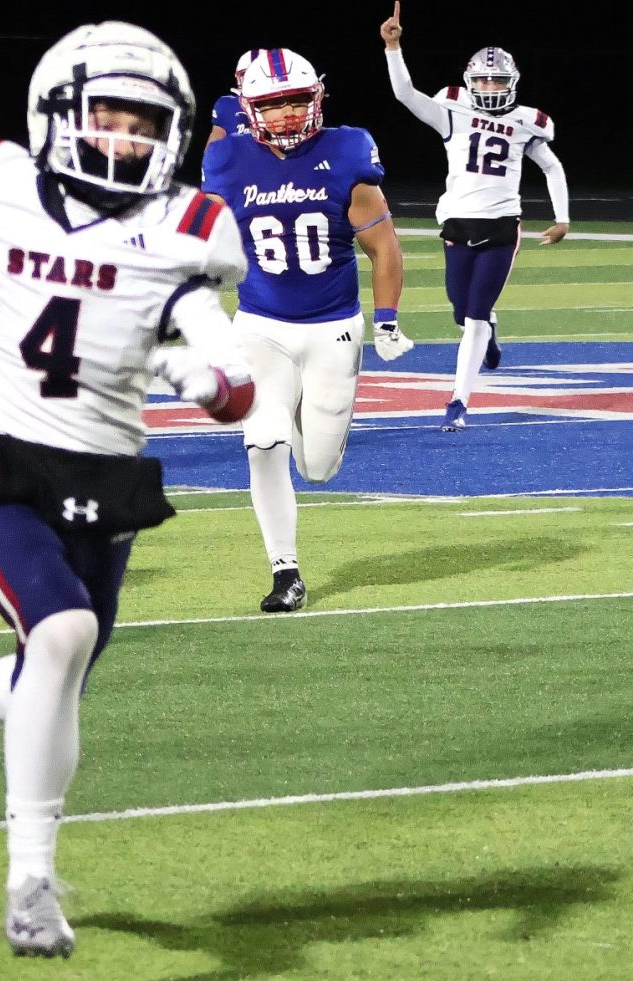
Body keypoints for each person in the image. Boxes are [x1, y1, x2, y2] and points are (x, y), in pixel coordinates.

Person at [0, 21, 253, 958]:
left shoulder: (181, 230)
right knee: (64, 634)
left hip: (106, 486)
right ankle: (29, 883)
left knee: (55, 669)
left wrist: (202, 376)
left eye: (144, 126)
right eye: (108, 117)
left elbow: (236, 376)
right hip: (1, 470)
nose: (125, 140)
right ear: (55, 114)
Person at [202, 48, 408, 614]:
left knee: (317, 467)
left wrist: (387, 319)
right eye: (273, 104)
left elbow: (384, 245)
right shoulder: (228, 158)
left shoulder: (347, 149)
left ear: (317, 97)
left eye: (296, 100)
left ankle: (295, 413)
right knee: (262, 442)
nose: (288, 113)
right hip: (260, 324)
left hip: (332, 327)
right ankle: (285, 571)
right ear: (249, 108)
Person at [379, 1, 570, 430]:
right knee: (460, 309)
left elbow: (552, 166)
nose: (490, 85)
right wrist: (393, 48)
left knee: (475, 315)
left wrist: (563, 217)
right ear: (470, 81)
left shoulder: (525, 121)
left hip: (501, 224)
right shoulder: (453, 110)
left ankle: (458, 402)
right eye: (483, 78)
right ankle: (489, 329)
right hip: (457, 221)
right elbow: (405, 93)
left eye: (497, 79)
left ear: (512, 82)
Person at [204, 48, 262, 149]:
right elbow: (213, 149)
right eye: (246, 74)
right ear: (238, 77)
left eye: (258, 74)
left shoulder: (282, 104)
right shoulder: (228, 105)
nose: (252, 80)